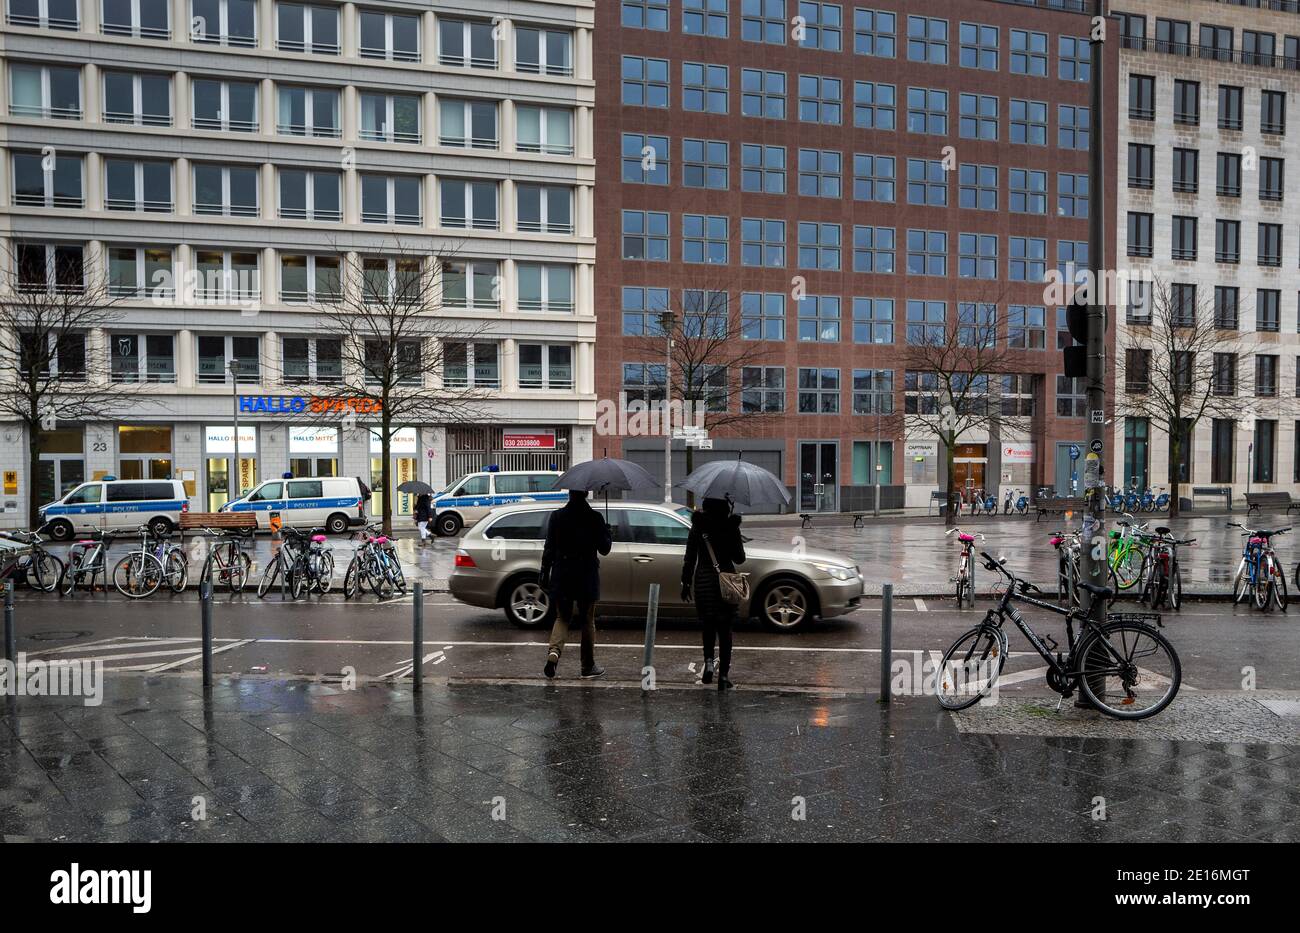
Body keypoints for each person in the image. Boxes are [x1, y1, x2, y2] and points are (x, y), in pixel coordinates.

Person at [539, 489, 612, 679]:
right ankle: (587, 666)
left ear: (570, 494)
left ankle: (553, 655)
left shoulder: (557, 517)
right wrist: (608, 532)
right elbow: (605, 549)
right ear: (587, 494)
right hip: (586, 575)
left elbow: (549, 547)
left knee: (562, 617)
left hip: (563, 573)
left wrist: (544, 571)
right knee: (587, 620)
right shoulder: (595, 518)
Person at [681, 496, 746, 690]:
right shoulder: (730, 526)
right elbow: (740, 558)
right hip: (725, 583)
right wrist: (734, 534)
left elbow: (690, 557)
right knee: (725, 631)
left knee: (708, 625)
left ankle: (709, 662)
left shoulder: (698, 527)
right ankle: (724, 676)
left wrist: (685, 583)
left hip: (703, 582)